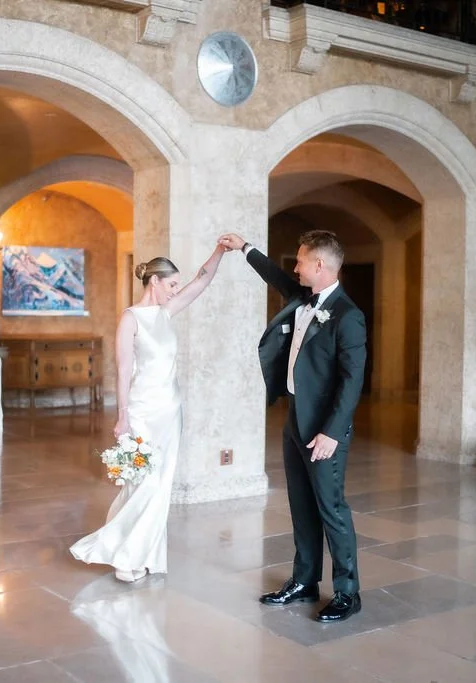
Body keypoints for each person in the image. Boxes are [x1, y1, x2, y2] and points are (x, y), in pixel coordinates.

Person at [219, 230, 366, 623]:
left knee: (331, 509)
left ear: (320, 266)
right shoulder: (303, 297)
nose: (295, 267)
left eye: (301, 261)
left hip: (324, 431)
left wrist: (332, 432)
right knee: (301, 507)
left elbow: (352, 382)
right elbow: (275, 276)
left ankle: (348, 593)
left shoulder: (348, 317)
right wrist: (245, 249)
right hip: (294, 421)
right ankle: (305, 581)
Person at [70, 244, 229, 583]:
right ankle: (124, 553)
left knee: (161, 485)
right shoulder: (130, 318)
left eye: (176, 287)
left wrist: (219, 251)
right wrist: (122, 416)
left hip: (171, 410)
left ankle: (139, 552)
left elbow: (201, 282)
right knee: (143, 483)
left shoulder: (166, 312)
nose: (175, 291)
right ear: (154, 281)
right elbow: (123, 369)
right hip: (142, 411)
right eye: (171, 285)